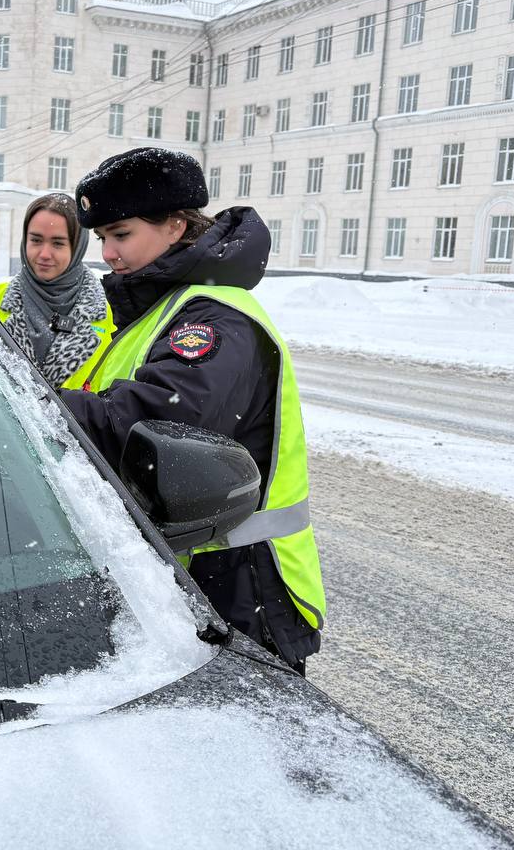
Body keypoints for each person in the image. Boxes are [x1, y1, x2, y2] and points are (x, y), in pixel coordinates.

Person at [57, 147, 325, 674]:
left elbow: (142, 432)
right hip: (200, 572)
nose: (107, 253)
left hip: (243, 585)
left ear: (176, 225)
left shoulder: (212, 319)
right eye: (103, 238)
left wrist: (18, 406)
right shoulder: (166, 306)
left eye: (121, 234)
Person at [0, 193, 113, 390]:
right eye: (36, 240)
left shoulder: (107, 315)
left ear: (78, 246)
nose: (44, 254)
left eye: (58, 243)